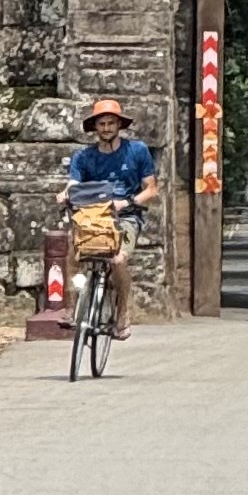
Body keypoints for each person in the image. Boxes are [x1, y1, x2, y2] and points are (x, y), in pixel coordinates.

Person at [63, 95, 159, 334]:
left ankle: (123, 311)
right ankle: (72, 305)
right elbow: (72, 185)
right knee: (73, 255)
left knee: (118, 259)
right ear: (95, 127)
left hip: (125, 216)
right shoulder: (83, 157)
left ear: (119, 125)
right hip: (91, 216)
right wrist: (64, 194)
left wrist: (126, 202)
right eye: (101, 124)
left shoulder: (137, 151)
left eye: (110, 123)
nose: (106, 128)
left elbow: (152, 189)